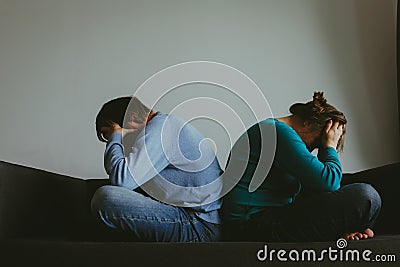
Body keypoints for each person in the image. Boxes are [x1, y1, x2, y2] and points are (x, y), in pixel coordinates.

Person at [221, 92, 381, 242]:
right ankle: (356, 226)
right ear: (308, 122)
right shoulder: (276, 132)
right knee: (364, 195)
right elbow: (328, 182)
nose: (311, 150)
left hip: (267, 217)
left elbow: (323, 187)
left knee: (369, 183)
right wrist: (329, 147)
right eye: (317, 142)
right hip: (248, 226)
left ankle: (352, 227)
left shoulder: (274, 130)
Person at [91, 96, 222, 242]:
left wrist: (115, 136)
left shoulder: (162, 128)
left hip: (199, 227)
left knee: (106, 198)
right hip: (191, 219)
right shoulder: (165, 126)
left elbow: (122, 180)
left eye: (110, 133)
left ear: (132, 119)